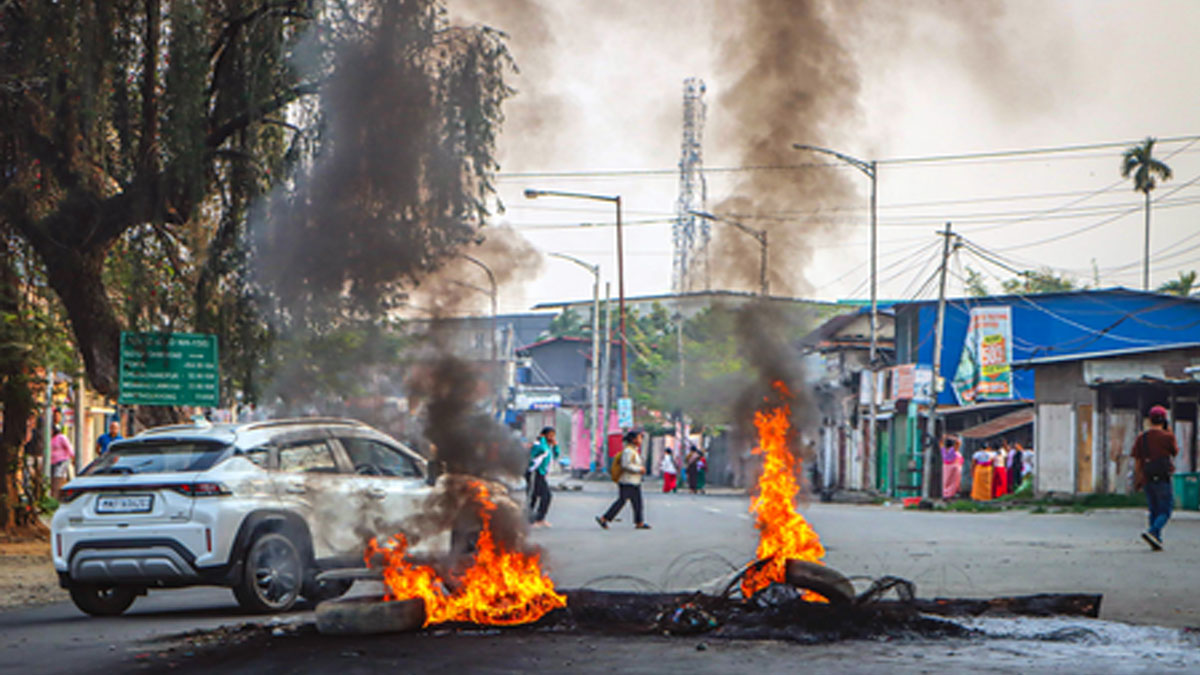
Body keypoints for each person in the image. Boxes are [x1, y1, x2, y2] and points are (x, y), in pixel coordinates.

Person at [1132, 405, 1179, 551]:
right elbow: (1175, 452)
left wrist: (1138, 479)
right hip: (1163, 477)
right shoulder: (1167, 437)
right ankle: (1153, 531)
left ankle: (1155, 539)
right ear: (1164, 420)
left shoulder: (1142, 438)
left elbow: (1138, 460)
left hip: (1147, 477)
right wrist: (1169, 432)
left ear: (1150, 420)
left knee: (1154, 509)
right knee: (1165, 510)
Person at [596, 430, 651, 530]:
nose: (641, 440)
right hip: (627, 481)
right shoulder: (628, 451)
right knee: (622, 501)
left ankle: (639, 522)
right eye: (639, 438)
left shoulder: (634, 450)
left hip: (634, 481)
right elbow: (625, 465)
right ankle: (604, 518)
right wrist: (639, 469)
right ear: (633, 439)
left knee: (637, 502)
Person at [527, 427, 559, 527]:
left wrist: (555, 446)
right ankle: (536, 519)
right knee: (543, 496)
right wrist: (541, 439)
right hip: (535, 473)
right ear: (544, 435)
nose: (552, 437)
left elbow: (556, 455)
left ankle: (533, 519)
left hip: (542, 474)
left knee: (536, 496)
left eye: (553, 435)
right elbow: (535, 453)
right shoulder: (539, 444)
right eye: (550, 435)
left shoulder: (547, 446)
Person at [49, 425, 74, 499]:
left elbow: (69, 447)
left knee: (57, 478)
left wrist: (73, 457)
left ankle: (55, 497)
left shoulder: (61, 437)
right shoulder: (50, 439)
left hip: (62, 461)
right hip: (52, 463)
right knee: (53, 480)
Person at [940, 435, 963, 500]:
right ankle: (951, 494)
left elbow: (940, 443)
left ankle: (945, 494)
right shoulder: (953, 450)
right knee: (954, 481)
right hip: (954, 467)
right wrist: (954, 438)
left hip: (945, 467)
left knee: (946, 481)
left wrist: (944, 437)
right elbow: (959, 442)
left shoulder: (943, 449)